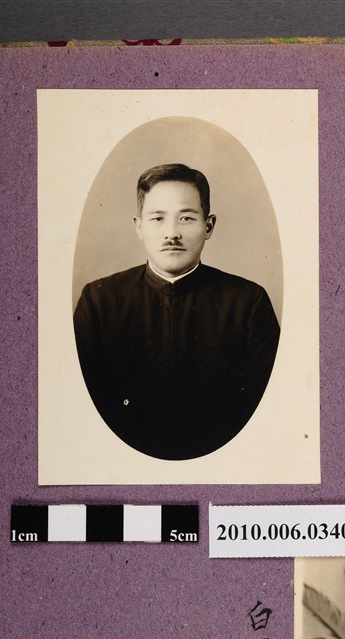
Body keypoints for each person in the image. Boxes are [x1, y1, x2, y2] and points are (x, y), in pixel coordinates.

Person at [74, 163, 280, 460]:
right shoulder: (99, 300)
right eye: (157, 218)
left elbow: (268, 411)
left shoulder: (248, 302)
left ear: (208, 226)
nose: (171, 234)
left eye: (186, 218)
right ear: (139, 226)